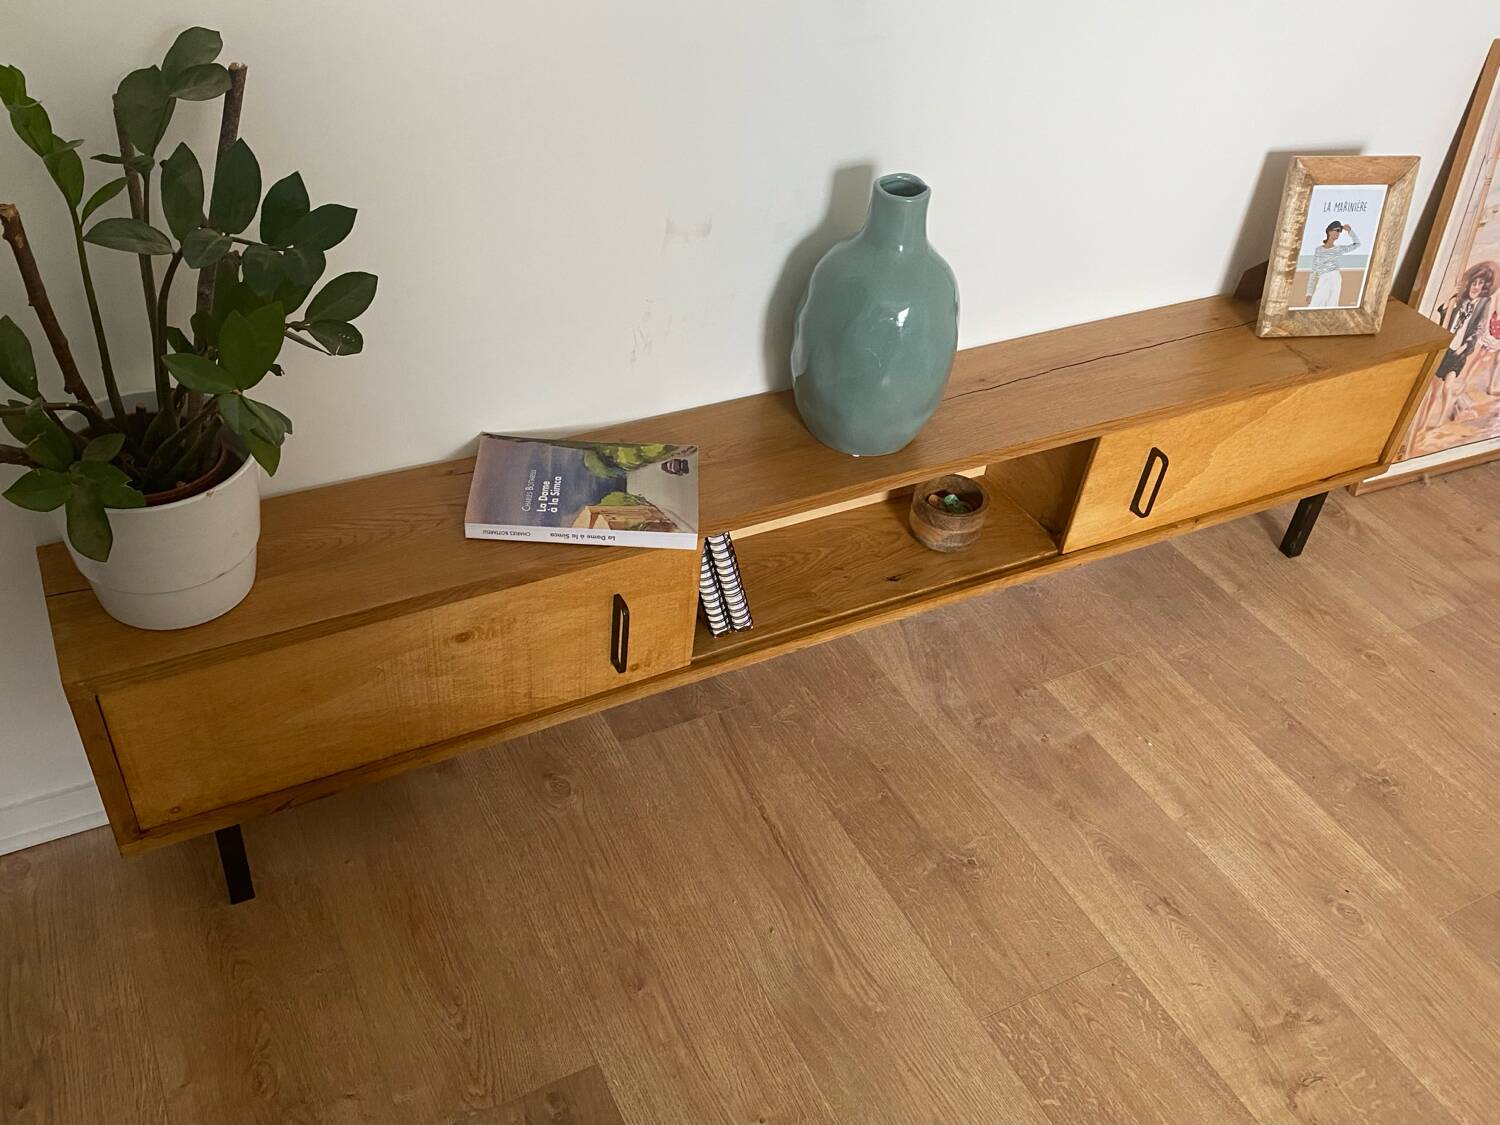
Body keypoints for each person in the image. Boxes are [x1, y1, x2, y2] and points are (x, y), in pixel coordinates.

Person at [1416, 265, 1494, 432]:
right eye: (1474, 283)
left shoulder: (1483, 304)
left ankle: (1441, 418)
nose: (1476, 287)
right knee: (1435, 389)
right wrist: (1451, 295)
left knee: (1447, 386)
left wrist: (1464, 347)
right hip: (1447, 348)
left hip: (1460, 352)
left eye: (1480, 284)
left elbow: (1479, 329)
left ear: (1484, 287)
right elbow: (1445, 315)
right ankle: (1423, 422)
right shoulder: (1462, 300)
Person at [1304, 221, 1359, 307]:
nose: (1338, 233)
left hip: (1336, 278)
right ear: (1329, 231)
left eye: (1340, 231)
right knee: (1315, 305)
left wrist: (1350, 231)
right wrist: (1309, 293)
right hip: (1324, 278)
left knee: (1331, 306)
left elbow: (1357, 244)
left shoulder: (1339, 249)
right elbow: (1314, 272)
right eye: (1337, 230)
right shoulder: (1319, 250)